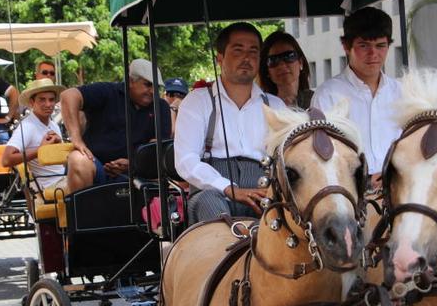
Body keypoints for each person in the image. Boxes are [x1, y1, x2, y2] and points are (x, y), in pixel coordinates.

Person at [174, 22, 286, 223]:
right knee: (211, 204)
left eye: (253, 52)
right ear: (219, 58)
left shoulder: (275, 106)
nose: (246, 58)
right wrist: (228, 187)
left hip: (264, 188)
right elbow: (186, 160)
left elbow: (287, 158)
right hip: (213, 189)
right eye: (238, 50)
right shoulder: (198, 101)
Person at [310, 7, 402, 187]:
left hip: (398, 190)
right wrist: (363, 179)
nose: (373, 54)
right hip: (351, 193)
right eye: (364, 45)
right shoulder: (328, 95)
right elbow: (321, 155)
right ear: (346, 46)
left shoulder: (402, 92)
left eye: (380, 46)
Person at [60, 58, 171, 192]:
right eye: (148, 84)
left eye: (156, 87)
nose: (153, 91)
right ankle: (84, 212)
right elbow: (68, 96)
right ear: (130, 81)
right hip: (96, 165)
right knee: (77, 159)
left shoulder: (161, 106)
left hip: (138, 174)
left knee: (164, 171)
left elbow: (156, 149)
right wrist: (76, 139)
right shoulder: (108, 91)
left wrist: (133, 164)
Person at [1, 79, 66, 191]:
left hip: (63, 178)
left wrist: (60, 145)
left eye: (51, 100)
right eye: (42, 100)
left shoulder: (53, 124)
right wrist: (40, 150)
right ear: (32, 102)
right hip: (49, 186)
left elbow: (62, 163)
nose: (48, 104)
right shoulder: (27, 126)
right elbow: (6, 160)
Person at [258, 31, 314, 109]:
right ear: (267, 70)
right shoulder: (261, 105)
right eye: (273, 60)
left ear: (300, 62)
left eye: (289, 56)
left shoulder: (316, 100)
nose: (282, 65)